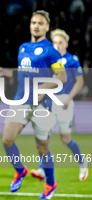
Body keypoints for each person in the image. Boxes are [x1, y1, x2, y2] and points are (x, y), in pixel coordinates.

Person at [0, 10, 67, 199]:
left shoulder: (51, 51)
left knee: (42, 148)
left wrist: (43, 90)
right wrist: (5, 73)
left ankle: (50, 183)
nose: (36, 25)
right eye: (34, 22)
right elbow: (23, 71)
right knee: (6, 140)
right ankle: (20, 170)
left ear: (47, 27)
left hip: (42, 105)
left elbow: (62, 76)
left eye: (40, 23)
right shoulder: (23, 47)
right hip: (21, 100)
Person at [30, 29, 88, 182]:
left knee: (65, 138)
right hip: (50, 100)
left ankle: (82, 162)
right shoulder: (50, 60)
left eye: (60, 42)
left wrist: (69, 98)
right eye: (54, 42)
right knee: (44, 135)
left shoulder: (72, 60)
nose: (57, 45)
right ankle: (42, 169)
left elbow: (80, 81)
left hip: (64, 101)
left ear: (66, 44)